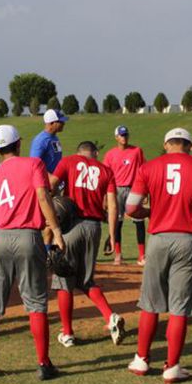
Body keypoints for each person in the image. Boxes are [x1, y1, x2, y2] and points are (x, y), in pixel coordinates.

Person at [125, 128, 192, 384]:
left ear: (166, 144)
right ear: (190, 146)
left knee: (150, 302)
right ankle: (171, 367)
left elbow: (131, 207)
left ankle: (141, 359)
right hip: (189, 239)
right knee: (180, 307)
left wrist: (149, 212)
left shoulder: (149, 167)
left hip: (158, 239)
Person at [0, 125, 66, 380]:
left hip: (0, 239)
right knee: (36, 303)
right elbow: (42, 196)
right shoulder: (33, 165)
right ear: (18, 144)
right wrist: (56, 231)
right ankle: (43, 364)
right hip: (29, 236)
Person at [49, 141, 126, 347]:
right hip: (94, 227)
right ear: (96, 153)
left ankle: (67, 333)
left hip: (72, 226)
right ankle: (111, 317)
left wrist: (54, 203)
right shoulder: (106, 171)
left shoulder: (69, 161)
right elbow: (112, 206)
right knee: (86, 279)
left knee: (64, 279)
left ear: (79, 152)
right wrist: (112, 236)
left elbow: (51, 185)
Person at [102, 125, 147, 265]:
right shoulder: (110, 154)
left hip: (134, 189)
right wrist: (105, 196)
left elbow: (143, 170)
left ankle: (141, 255)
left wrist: (144, 191)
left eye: (126, 134)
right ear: (116, 137)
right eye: (121, 135)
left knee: (139, 221)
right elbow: (105, 176)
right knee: (117, 222)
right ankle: (118, 254)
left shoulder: (136, 151)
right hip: (116, 190)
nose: (124, 137)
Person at [30, 108, 67, 173]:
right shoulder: (40, 140)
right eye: (60, 121)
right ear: (51, 123)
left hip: (56, 179)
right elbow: (34, 164)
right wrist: (50, 178)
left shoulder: (55, 138)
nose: (63, 123)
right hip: (46, 180)